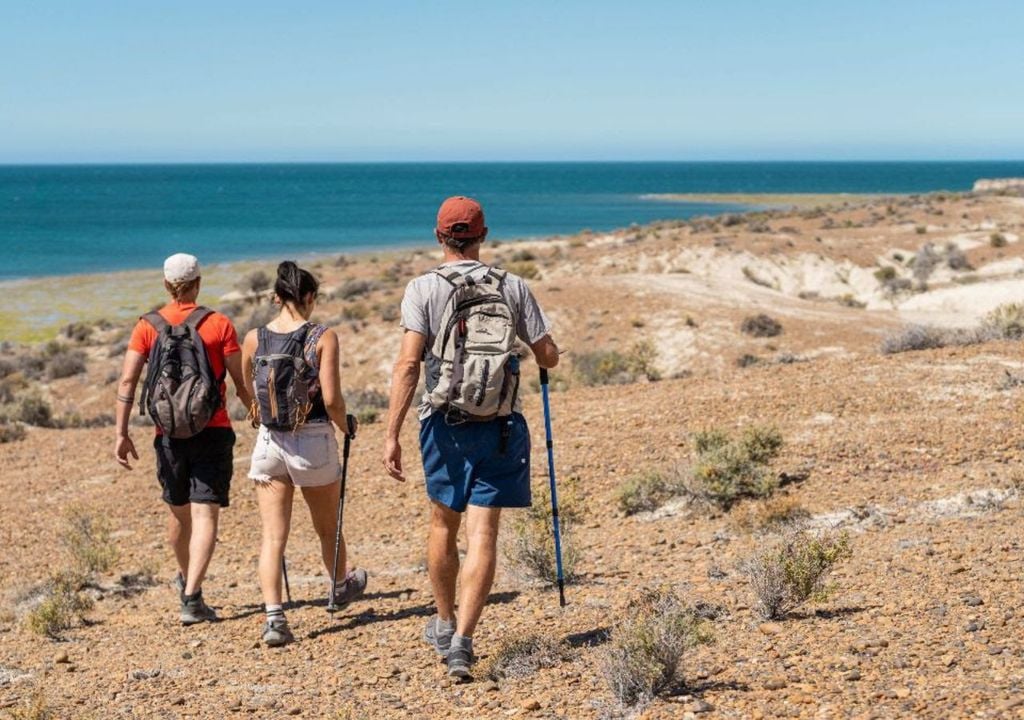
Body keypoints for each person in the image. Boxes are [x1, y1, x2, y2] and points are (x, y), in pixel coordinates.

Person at [382, 196, 560, 679]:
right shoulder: (512, 286)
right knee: (484, 533)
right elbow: (546, 354)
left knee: (444, 524)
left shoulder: (422, 288)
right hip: (501, 425)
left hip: (444, 423)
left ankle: (443, 623)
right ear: (483, 235)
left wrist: (392, 433)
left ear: (438, 236)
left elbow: (408, 364)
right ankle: (463, 641)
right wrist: (546, 354)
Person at [114, 253, 251, 625]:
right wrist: (257, 413)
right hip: (213, 429)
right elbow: (240, 380)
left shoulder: (147, 326)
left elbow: (127, 382)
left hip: (168, 434)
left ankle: (188, 583)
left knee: (179, 512)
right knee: (205, 513)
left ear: (165, 285)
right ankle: (191, 596)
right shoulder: (218, 323)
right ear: (198, 283)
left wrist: (121, 433)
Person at [242, 261, 366, 647]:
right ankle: (341, 586)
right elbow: (332, 399)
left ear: (276, 297)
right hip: (311, 440)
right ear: (309, 297)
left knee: (272, 536)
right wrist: (346, 425)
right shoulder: (323, 337)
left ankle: (274, 618)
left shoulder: (254, 338)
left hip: (269, 442)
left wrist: (258, 414)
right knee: (327, 527)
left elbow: (247, 387)